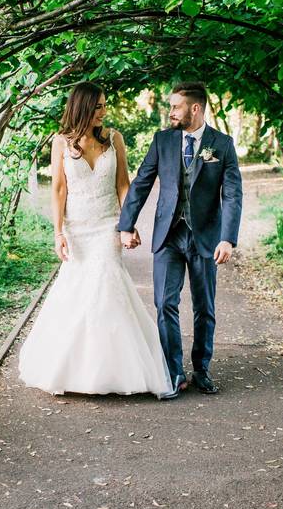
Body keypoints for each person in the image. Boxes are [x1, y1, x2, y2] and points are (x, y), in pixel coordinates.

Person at [18, 82, 172, 397]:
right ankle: (75, 369)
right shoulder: (60, 143)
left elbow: (123, 185)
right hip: (77, 228)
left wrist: (128, 224)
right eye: (98, 106)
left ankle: (116, 370)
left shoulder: (115, 139)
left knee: (107, 286)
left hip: (107, 226)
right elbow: (59, 189)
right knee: (76, 292)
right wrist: (58, 232)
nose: (104, 112)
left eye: (104, 105)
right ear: (83, 107)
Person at [117, 81, 243, 399]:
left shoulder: (222, 144)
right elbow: (142, 182)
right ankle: (174, 372)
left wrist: (227, 238)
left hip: (205, 238)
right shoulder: (162, 141)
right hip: (169, 236)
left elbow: (232, 194)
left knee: (205, 307)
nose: (171, 112)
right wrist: (126, 224)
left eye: (176, 106)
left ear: (195, 108)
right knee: (165, 305)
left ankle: (201, 369)